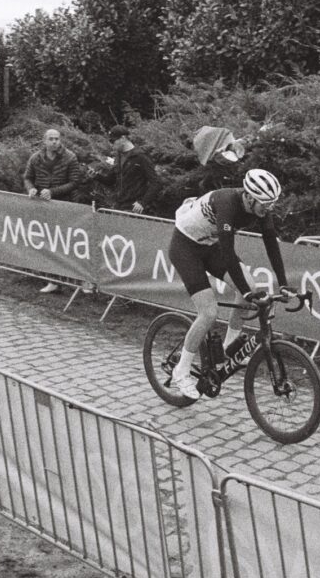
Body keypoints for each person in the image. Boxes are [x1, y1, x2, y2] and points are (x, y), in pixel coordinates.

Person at [168, 169, 296, 399]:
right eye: (264, 204)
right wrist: (246, 293)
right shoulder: (227, 203)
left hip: (210, 247)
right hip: (186, 248)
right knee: (208, 313)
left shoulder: (261, 208)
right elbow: (228, 253)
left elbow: (272, 245)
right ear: (248, 196)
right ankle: (181, 370)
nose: (268, 209)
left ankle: (229, 346)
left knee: (250, 286)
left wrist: (283, 284)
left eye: (271, 204)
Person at [23, 129, 82, 294]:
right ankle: (52, 281)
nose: (55, 142)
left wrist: (53, 192)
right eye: (51, 139)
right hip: (43, 208)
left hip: (65, 205)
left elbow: (75, 181)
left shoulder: (70, 157)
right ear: (44, 141)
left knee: (67, 244)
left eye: (57, 139)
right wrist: (31, 188)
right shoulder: (36, 158)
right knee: (47, 243)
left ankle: (78, 280)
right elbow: (27, 177)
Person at [94, 125, 160, 214]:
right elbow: (111, 180)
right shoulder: (118, 157)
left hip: (133, 208)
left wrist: (143, 203)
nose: (111, 144)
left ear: (123, 138)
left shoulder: (141, 157)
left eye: (113, 141)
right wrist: (96, 176)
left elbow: (156, 183)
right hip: (118, 205)